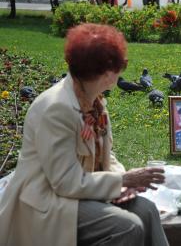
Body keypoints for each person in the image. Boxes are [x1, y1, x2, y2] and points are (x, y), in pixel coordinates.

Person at [0, 23, 169, 246]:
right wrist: (122, 180)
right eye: (122, 65)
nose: (121, 72)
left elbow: (106, 156)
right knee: (126, 226)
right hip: (46, 202)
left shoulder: (93, 100)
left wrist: (124, 184)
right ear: (107, 73)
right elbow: (65, 182)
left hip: (75, 194)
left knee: (146, 210)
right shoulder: (56, 109)